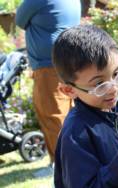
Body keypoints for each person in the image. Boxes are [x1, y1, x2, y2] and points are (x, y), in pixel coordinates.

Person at [52, 25, 118, 188]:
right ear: (69, 90)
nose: (113, 88)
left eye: (115, 74)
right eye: (99, 83)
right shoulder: (75, 133)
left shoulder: (111, 113)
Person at [15, 0, 81, 170]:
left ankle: (62, 168)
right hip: (69, 61)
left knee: (52, 116)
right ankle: (71, 163)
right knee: (69, 115)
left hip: (48, 66)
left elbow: (19, 19)